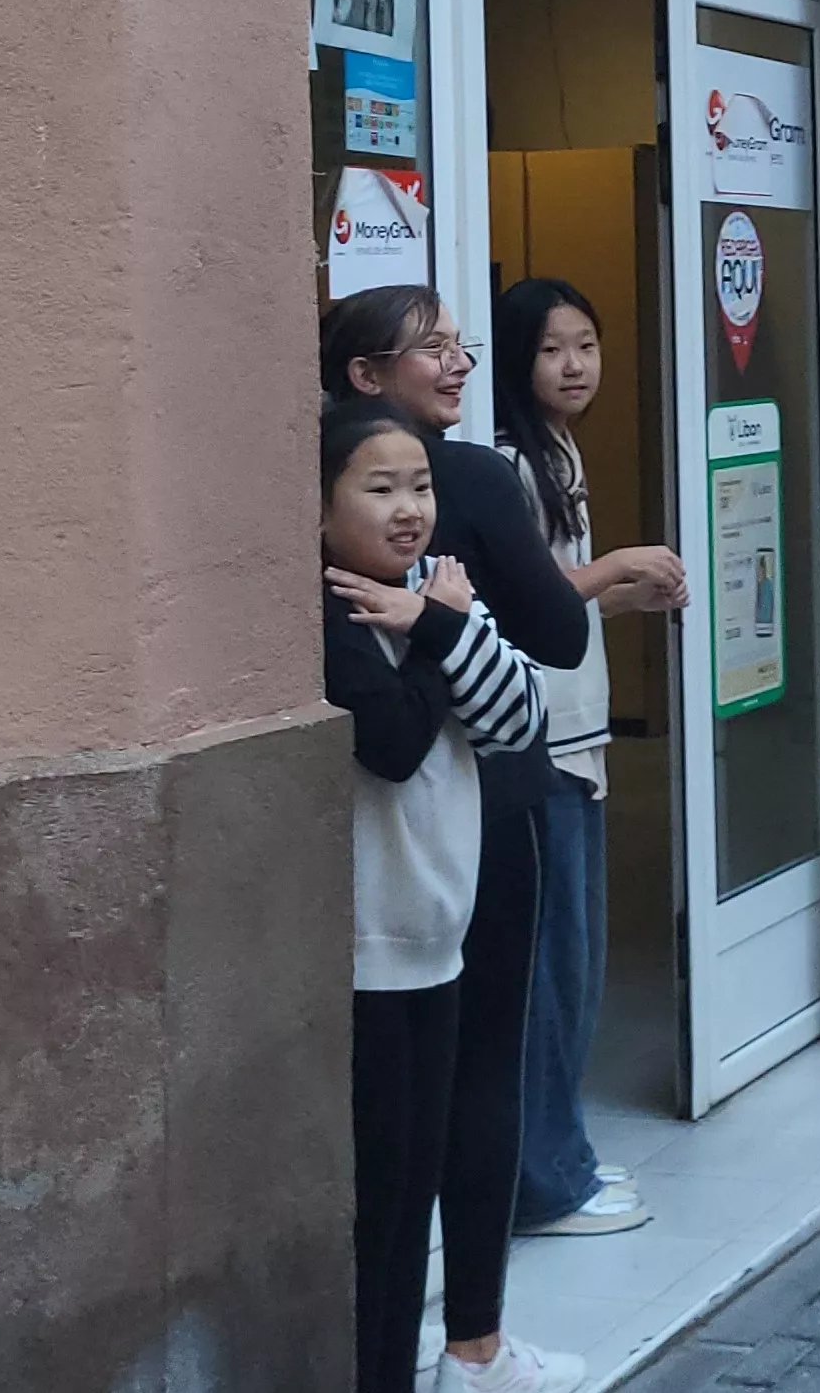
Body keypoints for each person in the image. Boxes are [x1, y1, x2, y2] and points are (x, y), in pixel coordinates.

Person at [323, 285, 591, 1393]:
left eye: (458, 342)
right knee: (413, 1146)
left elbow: (523, 697)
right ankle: (460, 1348)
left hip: (446, 889)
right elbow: (396, 737)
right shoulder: (364, 588)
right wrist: (442, 627)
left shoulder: (433, 564)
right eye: (428, 346)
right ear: (363, 376)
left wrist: (440, 620)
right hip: (405, 907)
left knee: (434, 1119)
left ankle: (464, 1347)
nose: (457, 361)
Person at [490, 279, 691, 1240]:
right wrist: (615, 568)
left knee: (577, 965)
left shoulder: (554, 448)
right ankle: (543, 1178)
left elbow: (553, 607)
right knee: (548, 971)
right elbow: (516, 592)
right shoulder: (501, 462)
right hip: (537, 743)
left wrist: (621, 601)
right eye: (551, 349)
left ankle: (556, 1153)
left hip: (579, 737)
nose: (574, 366)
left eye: (587, 343)